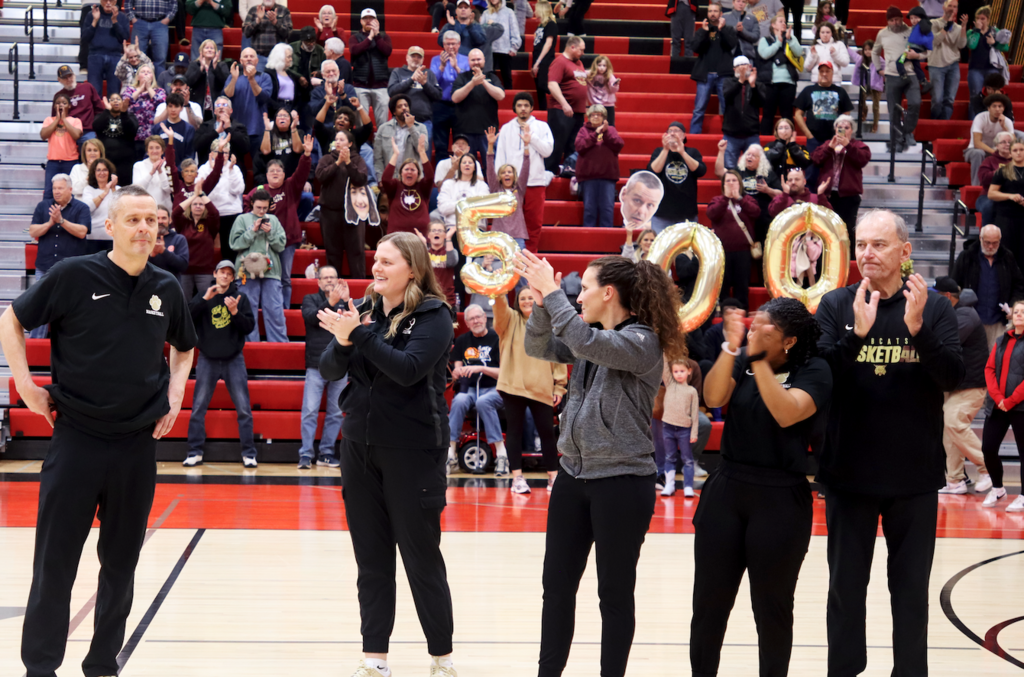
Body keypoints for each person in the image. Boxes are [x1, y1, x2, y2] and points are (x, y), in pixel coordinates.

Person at [1, 184, 196, 677]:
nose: (145, 229)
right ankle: (40, 667)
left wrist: (175, 393)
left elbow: (185, 347)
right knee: (55, 562)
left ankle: (103, 664)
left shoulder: (166, 287)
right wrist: (24, 383)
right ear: (110, 226)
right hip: (76, 439)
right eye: (133, 220)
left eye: (151, 220)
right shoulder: (72, 274)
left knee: (121, 564)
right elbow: (12, 321)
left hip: (135, 445)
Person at [515, 251, 687, 677]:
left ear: (608, 293)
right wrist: (541, 302)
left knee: (613, 593)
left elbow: (585, 342)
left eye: (585, 288)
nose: (578, 297)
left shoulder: (643, 341)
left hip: (623, 483)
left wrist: (553, 292)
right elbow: (537, 344)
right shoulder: (588, 333)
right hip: (574, 477)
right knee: (555, 588)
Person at [816, 209, 964, 677]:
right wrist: (855, 336)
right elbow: (818, 379)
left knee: (910, 590)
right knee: (844, 588)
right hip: (848, 474)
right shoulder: (837, 305)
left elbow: (953, 376)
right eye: (861, 244)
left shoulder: (935, 307)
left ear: (905, 252)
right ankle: (843, 670)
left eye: (878, 245)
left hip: (913, 476)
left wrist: (919, 333)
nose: (866, 254)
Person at [318, 232, 458, 677]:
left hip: (414, 451)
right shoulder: (367, 313)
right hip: (359, 448)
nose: (376, 267)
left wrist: (355, 334)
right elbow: (328, 369)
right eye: (375, 260)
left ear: (412, 270)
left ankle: (442, 657)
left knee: (420, 557)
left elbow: (408, 370)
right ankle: (374, 658)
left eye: (387, 262)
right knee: (371, 559)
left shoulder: (435, 315)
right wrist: (344, 340)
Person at [694, 297, 830, 676]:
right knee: (708, 606)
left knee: (771, 609)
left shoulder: (815, 369)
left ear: (788, 341)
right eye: (753, 324)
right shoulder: (742, 358)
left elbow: (787, 413)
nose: (753, 329)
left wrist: (756, 361)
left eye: (763, 327)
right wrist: (731, 348)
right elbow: (713, 397)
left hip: (781, 498)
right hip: (727, 488)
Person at [181, 258, 258, 468]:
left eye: (229, 273)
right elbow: (187, 317)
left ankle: (249, 453)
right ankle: (194, 452)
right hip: (207, 359)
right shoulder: (205, 295)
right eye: (221, 272)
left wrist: (235, 313)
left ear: (233, 277)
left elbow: (249, 326)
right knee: (198, 408)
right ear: (214, 274)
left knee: (243, 409)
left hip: (234, 359)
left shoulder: (241, 298)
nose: (225, 275)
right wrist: (204, 300)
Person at [487, 285, 567, 487]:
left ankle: (553, 477)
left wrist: (559, 387)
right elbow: (500, 308)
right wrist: (497, 291)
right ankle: (517, 478)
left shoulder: (548, 324)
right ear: (517, 302)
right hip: (513, 386)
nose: (526, 301)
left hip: (541, 388)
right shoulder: (509, 321)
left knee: (547, 433)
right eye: (522, 298)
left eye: (531, 298)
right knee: (514, 431)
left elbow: (558, 358)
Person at [930, 277, 993, 495]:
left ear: (947, 297)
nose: (932, 299)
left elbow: (943, 343)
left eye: (935, 295)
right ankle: (955, 480)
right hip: (957, 385)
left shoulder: (965, 315)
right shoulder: (956, 313)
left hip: (971, 386)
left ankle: (989, 469)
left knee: (954, 422)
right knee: (950, 429)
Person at [244, 133, 313, 304]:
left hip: (287, 241)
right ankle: (269, 308)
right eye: (271, 171)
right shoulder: (260, 190)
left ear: (284, 174)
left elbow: (301, 173)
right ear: (266, 175)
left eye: (278, 170)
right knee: (263, 275)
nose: (275, 173)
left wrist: (306, 156)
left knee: (284, 278)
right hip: (261, 240)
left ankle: (285, 311)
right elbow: (246, 205)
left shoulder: (290, 186)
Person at [298, 268, 348, 469]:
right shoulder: (309, 298)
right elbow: (312, 317)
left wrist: (347, 300)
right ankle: (305, 454)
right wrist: (333, 302)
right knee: (310, 411)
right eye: (325, 278)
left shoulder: (345, 302)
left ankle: (326, 453)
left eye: (333, 277)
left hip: (340, 364)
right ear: (318, 282)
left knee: (336, 412)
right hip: (316, 364)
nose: (329, 280)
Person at [28, 175, 92, 335]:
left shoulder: (81, 208)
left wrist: (61, 221)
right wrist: (50, 222)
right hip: (45, 266)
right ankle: (36, 348)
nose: (56, 192)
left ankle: (69, 348)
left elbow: (82, 232)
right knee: (41, 306)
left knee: (71, 307)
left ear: (70, 189)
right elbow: (32, 231)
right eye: (54, 188)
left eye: (60, 188)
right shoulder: (43, 207)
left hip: (71, 269)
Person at [448, 303, 507, 467]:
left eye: (478, 317)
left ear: (485, 318)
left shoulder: (497, 339)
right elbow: (456, 370)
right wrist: (457, 373)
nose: (476, 321)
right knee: (459, 400)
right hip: (470, 388)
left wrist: (481, 368)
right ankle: (450, 451)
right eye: (471, 319)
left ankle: (501, 452)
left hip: (495, 389)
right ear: (466, 323)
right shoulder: (462, 341)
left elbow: (505, 372)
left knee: (484, 401)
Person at [980, 298, 1024, 511]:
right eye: (1016, 311)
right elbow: (989, 369)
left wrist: (1011, 400)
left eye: (1023, 312)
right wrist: (998, 398)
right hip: (998, 404)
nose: (1018, 315)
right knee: (988, 448)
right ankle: (997, 488)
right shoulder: (1001, 340)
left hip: (1020, 405)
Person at [494, 92, 553, 252]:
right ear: (514, 108)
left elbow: (548, 151)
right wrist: (501, 185)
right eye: (519, 105)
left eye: (526, 105)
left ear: (532, 108)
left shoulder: (541, 126)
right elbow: (500, 157)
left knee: (534, 221)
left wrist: (531, 137)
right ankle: (510, 254)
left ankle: (531, 255)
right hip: (511, 186)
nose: (523, 109)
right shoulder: (506, 128)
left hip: (535, 182)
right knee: (510, 221)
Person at [229, 190, 287, 342]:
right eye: (259, 207)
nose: (261, 211)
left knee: (275, 311)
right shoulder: (242, 219)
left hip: (271, 271)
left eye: (265, 208)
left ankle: (280, 349)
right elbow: (234, 244)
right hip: (245, 272)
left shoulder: (273, 220)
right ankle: (249, 348)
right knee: (248, 311)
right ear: (252, 204)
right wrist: (252, 231)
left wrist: (271, 234)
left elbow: (281, 246)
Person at [952, 225, 1024, 346]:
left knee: (996, 360)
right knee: (975, 360)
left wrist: (1012, 305)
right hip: (972, 321)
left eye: (995, 243)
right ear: (980, 238)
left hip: (998, 322)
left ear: (1000, 241)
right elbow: (954, 285)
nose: (991, 246)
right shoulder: (967, 257)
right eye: (987, 242)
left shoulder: (1007, 257)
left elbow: (1019, 285)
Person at [316, 129, 371, 277]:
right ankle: (332, 288)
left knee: (357, 251)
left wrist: (347, 163)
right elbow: (320, 176)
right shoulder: (327, 159)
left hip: (353, 212)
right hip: (329, 213)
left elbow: (361, 179)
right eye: (336, 140)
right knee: (332, 252)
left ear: (350, 143)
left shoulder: (358, 160)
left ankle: (359, 289)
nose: (338, 142)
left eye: (342, 139)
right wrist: (338, 162)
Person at [811, 115, 870, 241]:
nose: (842, 129)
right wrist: (829, 148)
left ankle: (850, 259)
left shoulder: (858, 145)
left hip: (848, 195)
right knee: (826, 228)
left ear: (851, 130)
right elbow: (815, 159)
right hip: (828, 194)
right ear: (835, 129)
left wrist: (848, 146)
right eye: (840, 127)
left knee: (847, 228)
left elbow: (862, 160)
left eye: (846, 127)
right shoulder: (828, 144)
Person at [709, 170, 760, 309]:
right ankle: (724, 311)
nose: (731, 183)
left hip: (743, 251)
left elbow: (756, 212)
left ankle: (742, 310)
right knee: (723, 283)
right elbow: (712, 214)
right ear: (723, 184)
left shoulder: (747, 199)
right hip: (723, 250)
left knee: (742, 284)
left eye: (734, 180)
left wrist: (740, 199)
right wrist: (726, 198)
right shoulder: (717, 200)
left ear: (740, 183)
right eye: (728, 181)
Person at [873, 7, 921, 152]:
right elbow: (875, 52)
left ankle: (907, 132)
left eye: (898, 19)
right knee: (893, 111)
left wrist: (917, 56)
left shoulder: (911, 31)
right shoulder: (882, 33)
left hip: (910, 73)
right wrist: (878, 69)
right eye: (892, 20)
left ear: (902, 18)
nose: (895, 23)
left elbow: (925, 50)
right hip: (892, 75)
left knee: (915, 102)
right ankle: (897, 140)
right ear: (888, 21)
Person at [451, 48, 505, 172]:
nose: (476, 62)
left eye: (478, 59)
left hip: (488, 132)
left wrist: (483, 81)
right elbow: (455, 98)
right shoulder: (462, 77)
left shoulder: (492, 76)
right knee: (466, 168)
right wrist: (472, 83)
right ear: (468, 62)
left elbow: (501, 95)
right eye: (473, 60)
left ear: (484, 60)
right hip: (465, 131)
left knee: (491, 167)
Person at [646, 122, 706, 234]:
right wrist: (665, 150)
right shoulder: (659, 151)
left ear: (684, 136)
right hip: (662, 212)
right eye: (670, 131)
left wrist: (682, 153)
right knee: (661, 248)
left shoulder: (692, 152)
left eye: (676, 130)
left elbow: (700, 171)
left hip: (687, 212)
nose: (672, 133)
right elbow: (653, 171)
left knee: (685, 250)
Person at [690, 4, 737, 136]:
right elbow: (696, 48)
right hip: (705, 74)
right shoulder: (701, 30)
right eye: (710, 11)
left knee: (728, 108)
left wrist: (721, 30)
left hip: (724, 75)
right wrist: (705, 32)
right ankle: (694, 136)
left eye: (715, 11)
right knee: (699, 109)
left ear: (721, 13)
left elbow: (731, 45)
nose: (712, 14)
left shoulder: (727, 29)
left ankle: (731, 135)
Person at [575, 105, 624, 229]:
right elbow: (579, 147)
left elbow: (618, 145)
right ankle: (587, 243)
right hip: (588, 178)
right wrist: (595, 134)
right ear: (589, 117)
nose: (596, 117)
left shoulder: (611, 130)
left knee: (607, 210)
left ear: (604, 118)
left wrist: (605, 133)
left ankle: (606, 244)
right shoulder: (583, 131)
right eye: (593, 115)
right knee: (589, 210)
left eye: (599, 114)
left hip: (607, 177)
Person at [545, 37, 588, 174]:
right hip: (561, 110)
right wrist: (564, 104)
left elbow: (581, 84)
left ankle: (569, 170)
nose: (583, 53)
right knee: (558, 143)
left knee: (574, 143)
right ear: (572, 47)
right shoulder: (559, 62)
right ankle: (549, 172)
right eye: (581, 50)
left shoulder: (579, 63)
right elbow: (552, 84)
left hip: (578, 111)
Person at [657, 358, 700, 497]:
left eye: (682, 371)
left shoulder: (692, 391)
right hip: (668, 427)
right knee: (669, 457)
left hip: (684, 429)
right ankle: (669, 485)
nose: (679, 374)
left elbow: (695, 414)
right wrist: (663, 349)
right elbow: (664, 367)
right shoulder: (669, 384)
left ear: (689, 371)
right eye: (676, 371)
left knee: (687, 459)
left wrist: (694, 432)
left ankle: (688, 486)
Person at [794, 61, 853, 159]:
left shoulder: (841, 92)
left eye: (827, 71)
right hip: (813, 139)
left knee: (833, 170)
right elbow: (797, 114)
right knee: (812, 171)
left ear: (832, 73)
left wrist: (840, 134)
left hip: (834, 139)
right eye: (821, 71)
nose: (824, 74)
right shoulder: (808, 90)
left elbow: (846, 114)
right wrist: (809, 135)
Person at [198, 139, 244, 262]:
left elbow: (238, 190)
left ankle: (230, 276)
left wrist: (231, 170)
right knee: (204, 246)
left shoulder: (235, 168)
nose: (223, 156)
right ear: (212, 153)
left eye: (226, 153)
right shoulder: (203, 168)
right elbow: (202, 191)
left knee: (230, 248)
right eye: (220, 152)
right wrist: (214, 171)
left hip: (230, 212)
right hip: (210, 213)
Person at [757, 15, 803, 135]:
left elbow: (799, 53)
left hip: (788, 82)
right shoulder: (765, 40)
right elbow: (764, 54)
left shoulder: (790, 38)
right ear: (773, 25)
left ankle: (789, 141)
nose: (784, 23)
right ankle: (765, 141)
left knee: (787, 113)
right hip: (770, 82)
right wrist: (778, 42)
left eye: (785, 21)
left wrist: (790, 40)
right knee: (768, 113)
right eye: (780, 21)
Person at [388, 46, 443, 148]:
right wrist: (411, 79)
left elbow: (438, 95)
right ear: (407, 57)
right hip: (401, 121)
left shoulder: (428, 74)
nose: (416, 59)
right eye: (413, 56)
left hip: (423, 122)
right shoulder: (398, 72)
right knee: (401, 153)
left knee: (424, 154)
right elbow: (391, 91)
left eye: (419, 57)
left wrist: (424, 83)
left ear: (422, 60)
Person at [486, 125, 530, 246]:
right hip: (498, 236)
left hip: (518, 235)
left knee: (520, 264)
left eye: (509, 172)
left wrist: (526, 146)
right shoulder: (496, 189)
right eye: (503, 172)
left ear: (514, 176)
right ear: (499, 177)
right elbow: (490, 169)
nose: (507, 174)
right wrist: (490, 146)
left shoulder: (519, 190)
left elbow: (525, 168)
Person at [430, 31, 471, 160]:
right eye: (448, 44)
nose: (451, 47)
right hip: (441, 105)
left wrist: (457, 67)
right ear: (443, 44)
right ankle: (441, 177)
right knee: (440, 144)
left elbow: (469, 82)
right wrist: (442, 67)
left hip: (461, 106)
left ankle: (461, 173)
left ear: (459, 44)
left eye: (453, 44)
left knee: (461, 142)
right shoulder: (436, 60)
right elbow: (432, 82)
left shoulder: (466, 60)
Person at [383, 135, 434, 236]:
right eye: (406, 169)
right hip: (396, 236)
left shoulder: (423, 187)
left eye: (413, 170)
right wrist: (396, 154)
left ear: (418, 174)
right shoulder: (395, 186)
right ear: (401, 173)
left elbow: (430, 177)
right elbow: (385, 179)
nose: (409, 172)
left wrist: (422, 152)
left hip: (421, 236)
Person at [174, 187, 220, 300]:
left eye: (201, 204)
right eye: (195, 204)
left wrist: (202, 194)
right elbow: (175, 213)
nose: (198, 206)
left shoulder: (210, 224)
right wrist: (194, 196)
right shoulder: (183, 223)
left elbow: (214, 213)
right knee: (184, 302)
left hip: (205, 271)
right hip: (185, 270)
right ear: (190, 206)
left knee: (207, 302)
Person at [350, 8, 393, 128]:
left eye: (371, 19)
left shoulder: (384, 37)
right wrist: (369, 38)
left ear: (376, 21)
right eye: (365, 19)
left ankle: (380, 146)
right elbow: (355, 50)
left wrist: (377, 35)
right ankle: (363, 146)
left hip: (381, 85)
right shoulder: (355, 37)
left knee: (382, 123)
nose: (368, 21)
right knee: (361, 123)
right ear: (361, 21)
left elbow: (387, 51)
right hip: (360, 85)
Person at [225, 48, 272, 154]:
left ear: (257, 60)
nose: (249, 59)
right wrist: (233, 79)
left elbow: (263, 98)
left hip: (257, 129)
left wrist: (251, 79)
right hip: (236, 130)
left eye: (252, 56)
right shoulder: (233, 77)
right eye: (246, 57)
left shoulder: (265, 77)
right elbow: (227, 96)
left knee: (257, 166)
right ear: (241, 61)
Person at [721, 56, 764, 170]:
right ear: (734, 70)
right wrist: (741, 81)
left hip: (752, 134)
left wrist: (753, 85)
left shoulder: (757, 84)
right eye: (739, 68)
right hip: (731, 134)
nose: (743, 70)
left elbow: (762, 103)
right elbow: (727, 97)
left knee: (754, 168)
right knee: (730, 169)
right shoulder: (728, 82)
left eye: (745, 67)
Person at [928, 0, 968, 121]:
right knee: (937, 99)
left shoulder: (958, 27)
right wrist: (946, 28)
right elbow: (934, 41)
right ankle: (934, 124)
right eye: (950, 6)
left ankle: (942, 126)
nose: (952, 9)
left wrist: (964, 28)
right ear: (944, 8)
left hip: (953, 65)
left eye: (954, 7)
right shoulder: (933, 23)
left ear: (957, 10)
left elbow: (961, 45)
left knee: (949, 99)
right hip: (936, 64)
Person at [374, 94, 429, 181]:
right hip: (391, 179)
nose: (404, 108)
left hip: (413, 179)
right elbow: (378, 158)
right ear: (394, 112)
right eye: (400, 106)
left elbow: (423, 149)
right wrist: (381, 179)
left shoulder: (420, 127)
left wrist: (411, 127)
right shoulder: (383, 128)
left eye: (406, 105)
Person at [966, 6, 1010, 110]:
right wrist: (976, 31)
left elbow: (1006, 47)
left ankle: (990, 121)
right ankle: (974, 122)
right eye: (977, 18)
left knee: (993, 97)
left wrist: (994, 43)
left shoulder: (995, 31)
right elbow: (971, 46)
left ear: (988, 19)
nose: (980, 21)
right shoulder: (971, 32)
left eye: (982, 19)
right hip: (975, 69)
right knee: (975, 97)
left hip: (992, 68)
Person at [83, 0, 130, 97]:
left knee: (114, 93)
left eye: (111, 0)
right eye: (105, 0)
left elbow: (124, 37)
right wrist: (95, 21)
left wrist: (115, 21)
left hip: (115, 56)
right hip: (95, 55)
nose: (108, 3)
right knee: (94, 92)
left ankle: (112, 112)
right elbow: (85, 38)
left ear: (115, 1)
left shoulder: (121, 17)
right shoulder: (91, 15)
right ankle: (97, 112)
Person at [964, 93, 1014, 186]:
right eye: (994, 106)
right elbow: (977, 143)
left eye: (1000, 106)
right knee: (978, 153)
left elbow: (1013, 143)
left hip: (998, 151)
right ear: (988, 108)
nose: (997, 109)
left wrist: (1004, 127)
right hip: (975, 150)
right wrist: (995, 152)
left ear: (1003, 108)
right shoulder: (980, 118)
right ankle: (976, 186)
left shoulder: (1007, 121)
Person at [42, 94, 84, 201]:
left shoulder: (76, 121)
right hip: (53, 162)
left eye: (64, 103)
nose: (61, 105)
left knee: (71, 191)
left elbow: (76, 135)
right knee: (49, 192)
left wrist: (64, 119)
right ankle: (47, 217)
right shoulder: (49, 120)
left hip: (70, 162)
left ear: (69, 106)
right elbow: (43, 135)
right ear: (54, 106)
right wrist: (57, 119)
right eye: (58, 103)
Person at [122, 64, 167, 156]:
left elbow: (161, 102)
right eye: (143, 72)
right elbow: (126, 101)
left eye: (148, 72)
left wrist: (149, 88)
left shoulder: (159, 91)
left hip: (152, 136)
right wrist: (140, 89)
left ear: (152, 77)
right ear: (138, 77)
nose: (146, 74)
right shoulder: (130, 89)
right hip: (133, 135)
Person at [53, 65, 104, 147]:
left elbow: (99, 109)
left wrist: (95, 126)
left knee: (91, 149)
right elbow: (55, 117)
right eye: (65, 78)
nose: (69, 79)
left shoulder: (87, 87)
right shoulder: (59, 96)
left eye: (70, 76)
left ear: (74, 75)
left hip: (87, 130)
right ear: (59, 80)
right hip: (68, 131)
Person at [93, 94, 139, 183]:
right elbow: (96, 127)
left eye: (118, 99)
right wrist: (107, 111)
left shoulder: (130, 116)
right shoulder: (101, 116)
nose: (115, 101)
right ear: (108, 103)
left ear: (122, 102)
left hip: (125, 162)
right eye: (112, 99)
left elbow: (132, 131)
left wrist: (124, 113)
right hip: (106, 161)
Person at [438, 152, 490, 227]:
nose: (467, 164)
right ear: (459, 167)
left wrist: (457, 205)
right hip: (453, 227)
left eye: (470, 162)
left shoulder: (482, 185)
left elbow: (483, 207)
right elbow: (443, 209)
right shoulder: (448, 184)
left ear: (475, 167)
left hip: (476, 227)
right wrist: (469, 202)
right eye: (464, 162)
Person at [264, 44, 311, 120]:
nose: (291, 59)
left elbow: (298, 95)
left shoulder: (291, 74)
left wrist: (295, 109)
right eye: (288, 57)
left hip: (291, 108)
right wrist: (281, 110)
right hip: (276, 109)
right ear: (280, 58)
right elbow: (267, 97)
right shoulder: (269, 74)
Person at [482, 0, 522, 89]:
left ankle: (509, 100)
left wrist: (514, 47)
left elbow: (514, 30)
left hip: (505, 50)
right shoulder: (486, 13)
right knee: (489, 77)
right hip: (490, 51)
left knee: (506, 77)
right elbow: (482, 31)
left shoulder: (509, 12)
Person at [241, 0, 292, 69]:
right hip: (259, 57)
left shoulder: (283, 10)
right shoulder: (254, 10)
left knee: (275, 79)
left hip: (278, 58)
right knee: (258, 79)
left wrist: (275, 23)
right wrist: (257, 21)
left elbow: (288, 34)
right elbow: (246, 33)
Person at [419, 219, 459, 306]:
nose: (436, 233)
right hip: (428, 296)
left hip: (447, 298)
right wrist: (423, 245)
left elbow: (451, 262)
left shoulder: (450, 251)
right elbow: (422, 265)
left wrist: (448, 238)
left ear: (444, 235)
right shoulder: (425, 252)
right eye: (433, 231)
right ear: (428, 235)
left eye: (440, 231)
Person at [82, 158, 120, 245]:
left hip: (112, 236)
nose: (101, 173)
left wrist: (112, 188)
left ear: (109, 173)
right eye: (98, 170)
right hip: (93, 237)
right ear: (94, 173)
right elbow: (87, 209)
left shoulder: (117, 189)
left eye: (105, 170)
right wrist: (104, 193)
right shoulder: (88, 190)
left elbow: (120, 208)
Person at [258, 109, 303, 181]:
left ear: (290, 119)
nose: (282, 118)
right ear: (275, 120)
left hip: (293, 178)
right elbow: (265, 151)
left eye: (285, 116)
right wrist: (267, 129)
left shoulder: (298, 133)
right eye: (279, 116)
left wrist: (293, 128)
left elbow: (298, 150)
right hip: (273, 178)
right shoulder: (269, 134)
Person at [531, 0, 559, 111]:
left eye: (536, 9)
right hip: (537, 57)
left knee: (543, 85)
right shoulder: (541, 25)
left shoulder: (551, 24)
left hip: (545, 59)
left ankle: (559, 99)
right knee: (539, 87)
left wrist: (538, 62)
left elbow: (548, 44)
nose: (534, 11)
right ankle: (543, 110)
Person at [851, 40, 883, 133]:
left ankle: (875, 123)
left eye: (870, 49)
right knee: (862, 99)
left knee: (876, 106)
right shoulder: (862, 59)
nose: (868, 51)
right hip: (866, 84)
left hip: (876, 86)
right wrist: (847, 47)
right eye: (865, 50)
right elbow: (853, 55)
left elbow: (886, 67)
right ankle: (864, 111)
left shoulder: (879, 59)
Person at [150, 205, 190, 280]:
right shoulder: (146, 239)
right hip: (149, 286)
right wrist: (151, 256)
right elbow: (138, 267)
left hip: (172, 286)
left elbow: (183, 266)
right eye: (157, 218)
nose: (160, 221)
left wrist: (163, 251)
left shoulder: (179, 239)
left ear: (170, 220)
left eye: (164, 218)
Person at [132, 135, 172, 208]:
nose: (154, 151)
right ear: (147, 151)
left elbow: (169, 190)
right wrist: (151, 172)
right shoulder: (138, 165)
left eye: (157, 148)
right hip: (144, 207)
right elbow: (137, 189)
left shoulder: (168, 165)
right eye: (151, 148)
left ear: (162, 150)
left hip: (164, 208)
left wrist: (160, 172)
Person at [585, 55, 621, 126]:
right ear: (595, 66)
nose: (601, 68)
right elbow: (580, 74)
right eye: (599, 65)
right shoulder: (590, 74)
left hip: (608, 104)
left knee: (609, 125)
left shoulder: (609, 76)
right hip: (595, 104)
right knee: (595, 124)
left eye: (604, 66)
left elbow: (613, 90)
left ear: (607, 67)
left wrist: (615, 85)